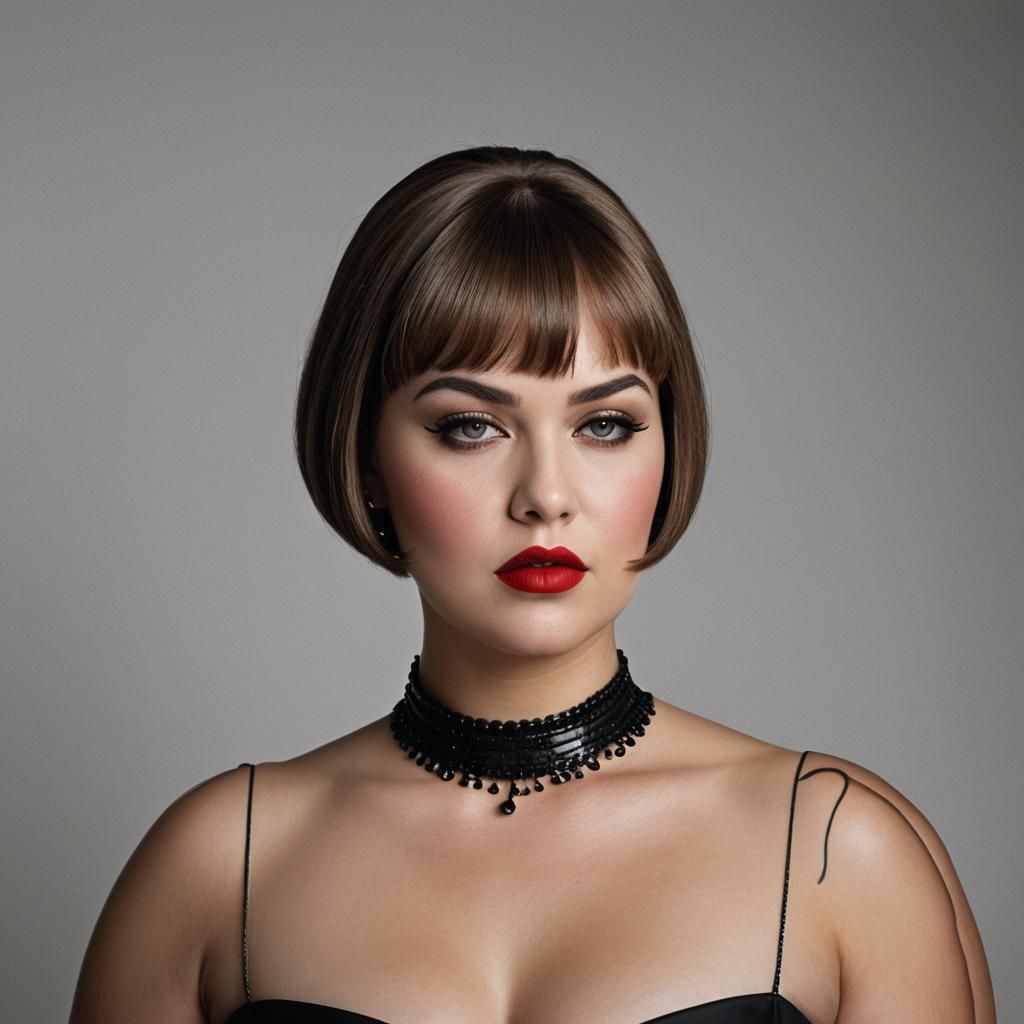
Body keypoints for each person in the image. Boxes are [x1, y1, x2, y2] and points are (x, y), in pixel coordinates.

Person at [69, 146, 994, 1024]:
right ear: (365, 456)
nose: (547, 497)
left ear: (669, 449)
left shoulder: (838, 851)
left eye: (606, 425)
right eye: (472, 426)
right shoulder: (215, 865)